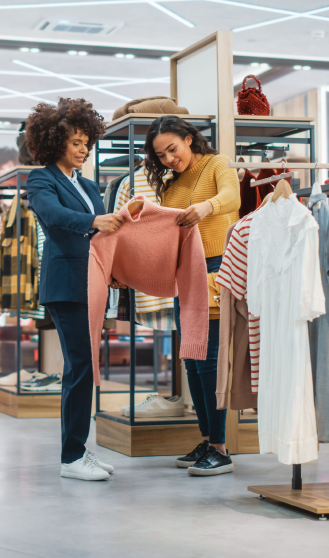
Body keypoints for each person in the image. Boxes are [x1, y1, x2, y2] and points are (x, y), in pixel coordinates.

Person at [26, 98, 125, 481]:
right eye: (75, 142)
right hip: (66, 285)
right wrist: (95, 219)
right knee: (80, 366)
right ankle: (71, 458)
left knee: (86, 367)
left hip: (93, 283)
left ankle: (80, 449)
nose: (83, 149)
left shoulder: (85, 184)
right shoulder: (42, 178)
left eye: (86, 142)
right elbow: (53, 216)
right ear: (55, 143)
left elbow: (102, 238)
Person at [144, 115, 240, 476]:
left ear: (188, 139)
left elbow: (232, 199)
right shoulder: (170, 184)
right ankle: (206, 438)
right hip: (185, 273)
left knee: (210, 360)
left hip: (216, 269)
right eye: (161, 155)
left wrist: (206, 207)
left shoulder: (217, 164)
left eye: (173, 149)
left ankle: (220, 447)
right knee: (191, 359)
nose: (169, 159)